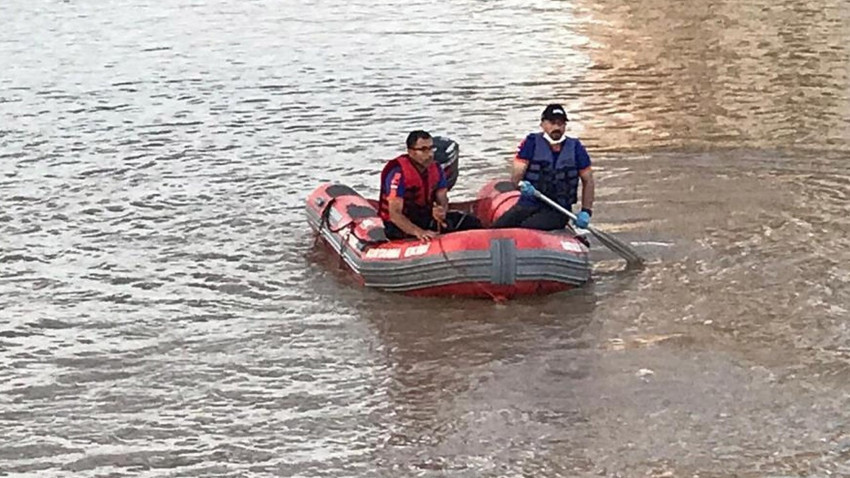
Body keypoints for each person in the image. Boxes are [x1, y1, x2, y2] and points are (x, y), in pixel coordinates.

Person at [493, 104, 595, 231]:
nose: (556, 127)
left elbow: (588, 180)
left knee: (526, 228)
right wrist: (520, 185)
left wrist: (586, 211)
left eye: (560, 123)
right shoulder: (531, 142)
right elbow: (516, 175)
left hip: (558, 210)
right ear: (542, 124)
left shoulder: (576, 148)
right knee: (499, 227)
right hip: (528, 203)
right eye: (552, 123)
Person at [378, 130, 482, 241]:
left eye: (431, 148)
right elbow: (395, 214)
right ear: (411, 152)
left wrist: (441, 211)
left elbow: (442, 199)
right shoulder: (398, 173)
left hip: (423, 217)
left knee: (470, 222)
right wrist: (418, 232)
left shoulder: (436, 168)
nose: (430, 154)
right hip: (397, 224)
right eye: (423, 150)